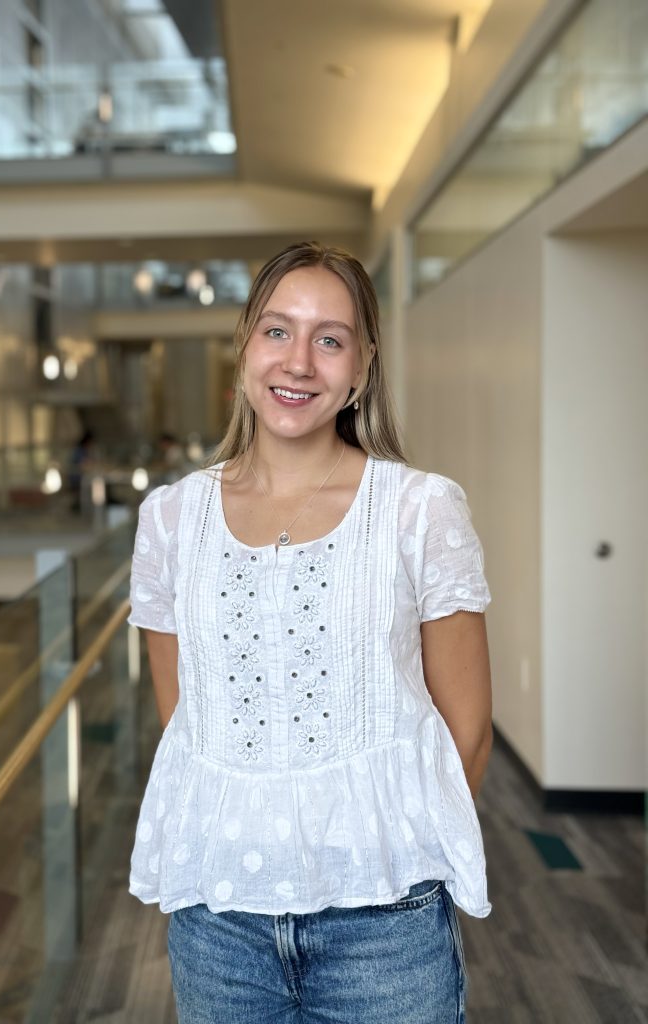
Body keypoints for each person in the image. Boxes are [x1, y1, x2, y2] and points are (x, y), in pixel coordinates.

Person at [127, 241, 493, 1023]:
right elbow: (187, 720)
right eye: (277, 331)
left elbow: (467, 733)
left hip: (385, 926)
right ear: (244, 347)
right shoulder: (170, 520)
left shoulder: (420, 510)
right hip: (219, 923)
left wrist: (390, 858)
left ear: (361, 367)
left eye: (330, 339)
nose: (298, 361)